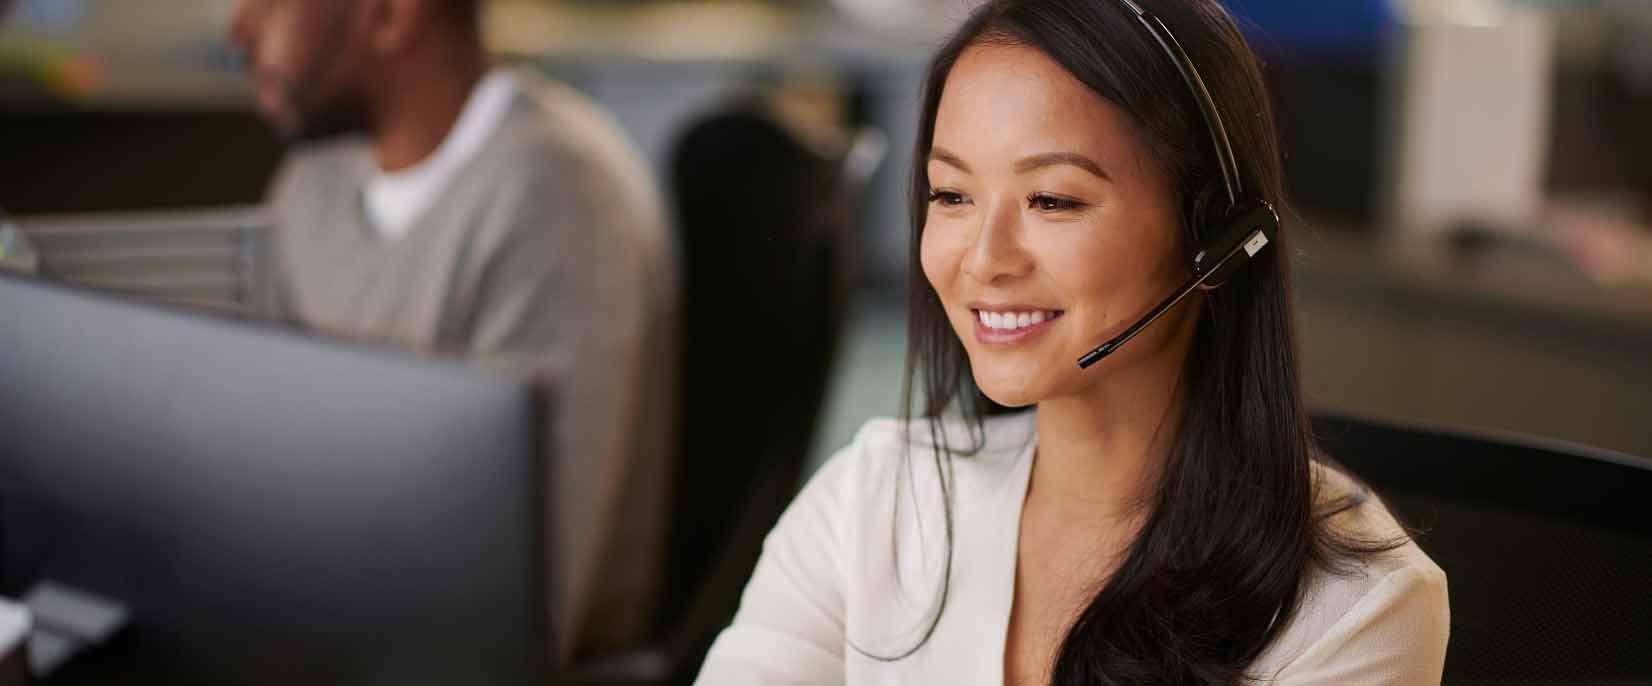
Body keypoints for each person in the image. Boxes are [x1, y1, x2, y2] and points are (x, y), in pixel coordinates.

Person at [697, 0, 1448, 684]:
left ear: (1217, 237)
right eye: (951, 195)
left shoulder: (1356, 609)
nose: (984, 258)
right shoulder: (877, 500)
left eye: (1051, 200)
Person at [226, 0, 679, 663]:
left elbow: (524, 611)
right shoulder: (311, 184)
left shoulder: (556, 199)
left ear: (387, 15)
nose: (239, 29)